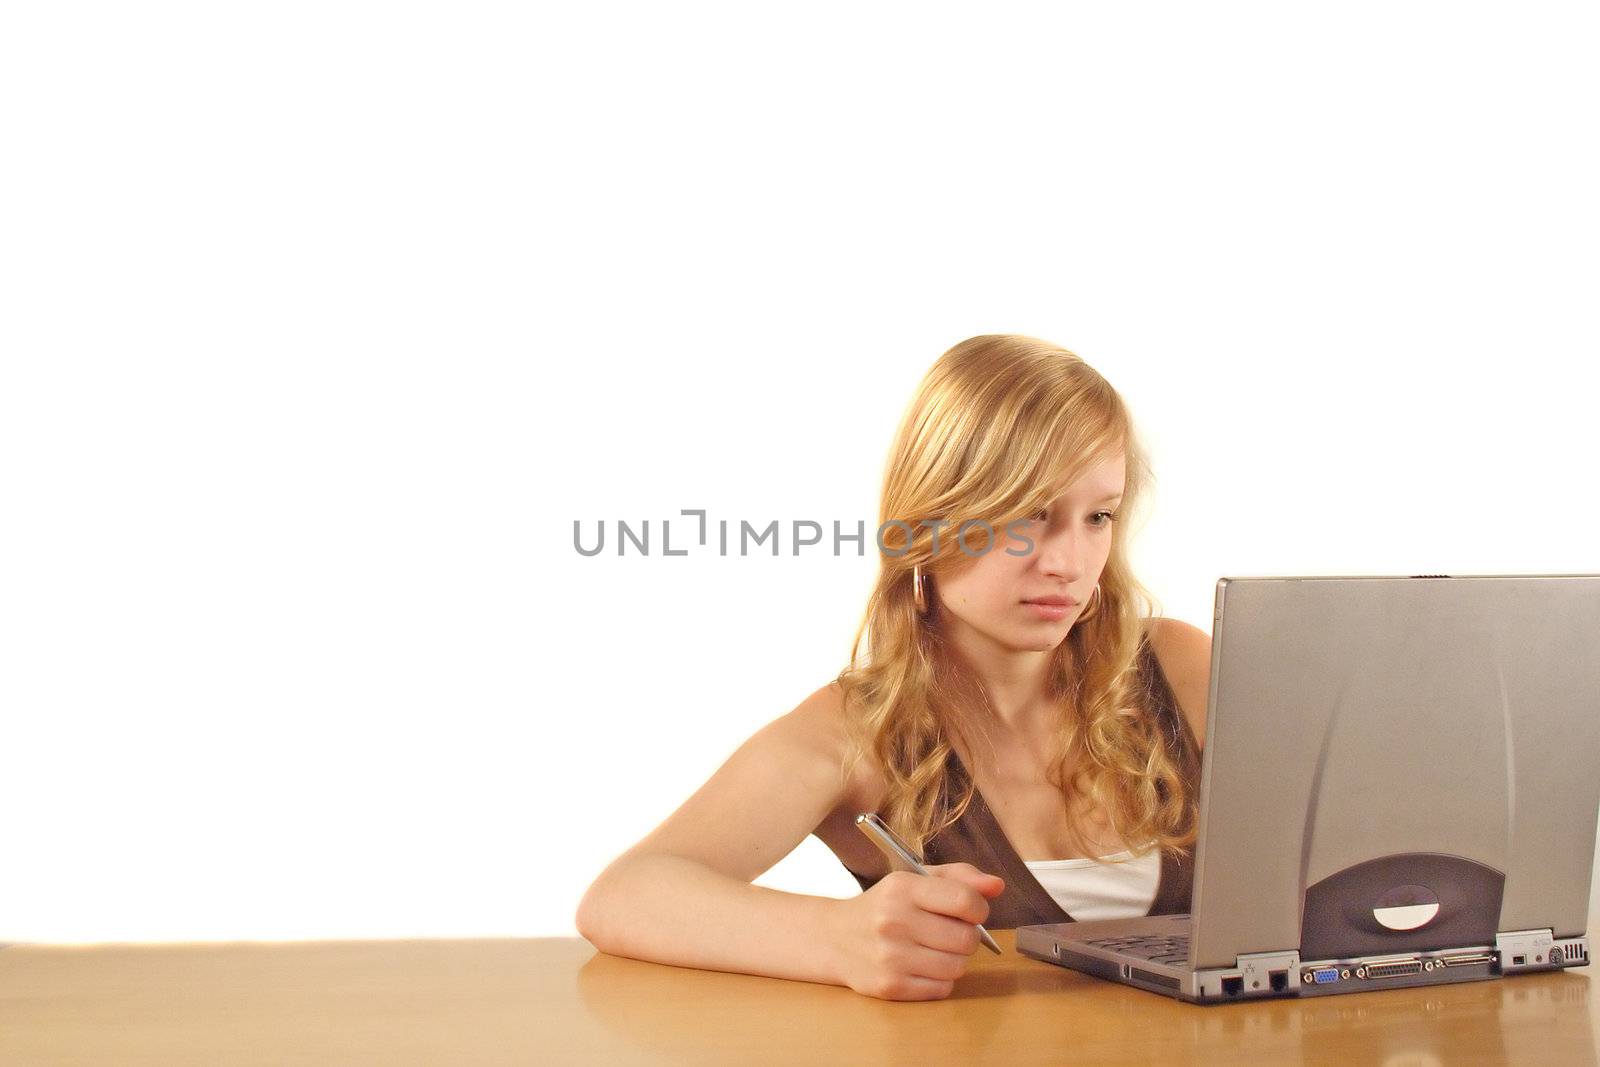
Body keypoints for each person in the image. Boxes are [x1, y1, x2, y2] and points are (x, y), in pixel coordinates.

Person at [575, 334, 1213, 1001]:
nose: (1069, 562)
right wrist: (835, 937)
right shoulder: (859, 732)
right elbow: (624, 894)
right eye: (1028, 514)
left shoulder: (1179, 669)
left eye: (1098, 516)